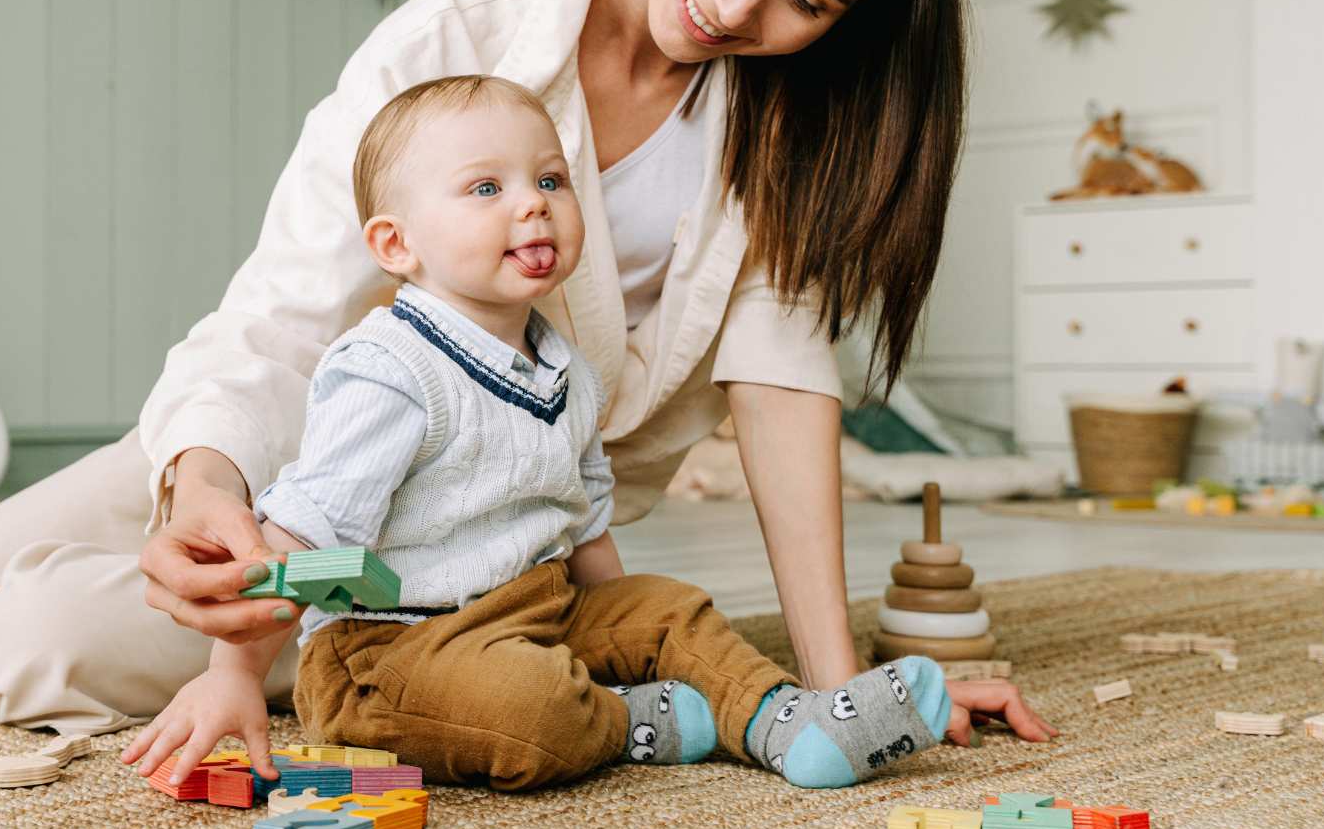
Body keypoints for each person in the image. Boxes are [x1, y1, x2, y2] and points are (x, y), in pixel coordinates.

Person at [0, 0, 1054, 751]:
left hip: (480, 545)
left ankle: (392, 660)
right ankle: (145, 579)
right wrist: (202, 489)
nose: (738, 5)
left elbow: (783, 390)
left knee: (40, 634)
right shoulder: (475, 24)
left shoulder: (787, 130)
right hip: (304, 442)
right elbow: (286, 312)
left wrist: (839, 690)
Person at [120, 73, 963, 792]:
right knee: (530, 707)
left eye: (552, 181)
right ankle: (626, 722)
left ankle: (793, 725)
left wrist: (628, 633)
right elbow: (303, 540)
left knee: (674, 610)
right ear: (396, 243)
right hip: (391, 653)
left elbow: (583, 517)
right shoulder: (390, 370)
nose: (533, 204)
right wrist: (230, 674)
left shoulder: (564, 367)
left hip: (535, 607)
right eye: (487, 189)